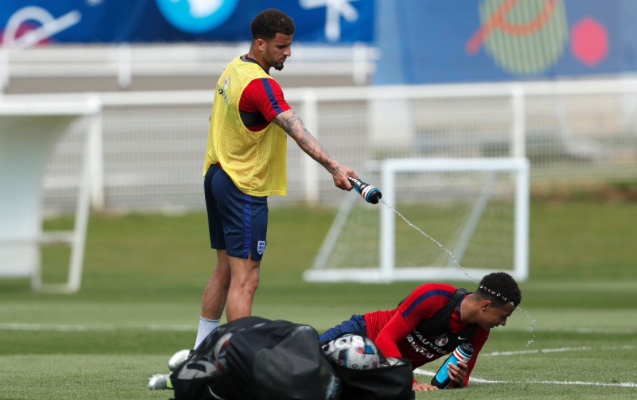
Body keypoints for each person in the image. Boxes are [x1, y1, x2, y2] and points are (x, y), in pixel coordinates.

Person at [169, 8, 358, 368]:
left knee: (224, 272)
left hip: (218, 175)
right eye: (282, 47)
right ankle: (237, 366)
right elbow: (293, 124)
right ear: (261, 43)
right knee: (247, 279)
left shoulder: (233, 68)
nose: (288, 53)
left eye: (289, 46)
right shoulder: (260, 84)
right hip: (243, 185)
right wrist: (333, 166)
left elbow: (217, 118)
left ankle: (199, 355)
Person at [319, 272, 522, 392]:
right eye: (503, 316)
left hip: (381, 370)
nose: (503, 323)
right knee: (303, 357)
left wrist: (458, 379)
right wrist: (410, 382)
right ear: (486, 305)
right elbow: (384, 338)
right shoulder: (434, 296)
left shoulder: (479, 332)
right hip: (362, 334)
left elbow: (464, 378)